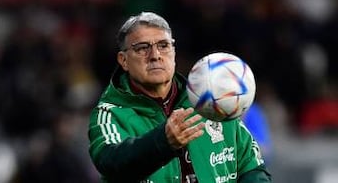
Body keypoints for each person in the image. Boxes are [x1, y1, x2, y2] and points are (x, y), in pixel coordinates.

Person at [88, 12, 272, 183]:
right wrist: (163, 141)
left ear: (174, 52)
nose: (155, 56)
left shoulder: (212, 101)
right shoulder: (110, 113)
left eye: (163, 45)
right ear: (123, 60)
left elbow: (252, 168)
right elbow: (111, 162)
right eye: (142, 48)